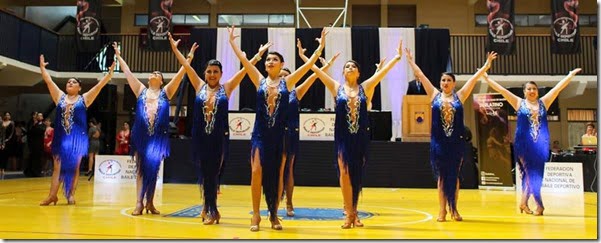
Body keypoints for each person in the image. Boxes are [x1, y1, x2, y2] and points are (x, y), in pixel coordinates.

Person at [228, 25, 326, 231]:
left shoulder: (287, 82)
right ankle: (255, 215)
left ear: (282, 64)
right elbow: (245, 62)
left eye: (274, 59)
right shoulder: (259, 80)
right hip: (260, 135)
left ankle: (273, 213)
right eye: (268, 59)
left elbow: (308, 67)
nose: (270, 61)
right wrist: (232, 43)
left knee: (276, 175)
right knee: (256, 171)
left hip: (279, 137)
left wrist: (319, 49)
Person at [300, 37, 404, 228]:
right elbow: (315, 71)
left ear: (358, 73)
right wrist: (304, 56)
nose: (349, 68)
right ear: (343, 72)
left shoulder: (366, 87)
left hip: (361, 137)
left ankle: (354, 211)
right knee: (345, 173)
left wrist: (397, 58)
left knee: (356, 174)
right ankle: (349, 214)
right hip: (342, 138)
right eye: (346, 66)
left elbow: (383, 73)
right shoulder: (336, 87)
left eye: (353, 67)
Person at [168, 32, 270, 225]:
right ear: (205, 73)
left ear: (221, 74)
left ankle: (211, 209)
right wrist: (175, 49)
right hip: (200, 137)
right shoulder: (198, 85)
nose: (212, 75)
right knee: (204, 174)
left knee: (213, 173)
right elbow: (186, 66)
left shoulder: (227, 87)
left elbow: (245, 69)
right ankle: (209, 208)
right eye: (209, 71)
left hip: (219, 139)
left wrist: (257, 56)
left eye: (215, 72)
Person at [406, 48, 497, 222]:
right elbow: (421, 75)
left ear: (454, 84)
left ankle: (453, 208)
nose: (445, 82)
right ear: (440, 83)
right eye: (443, 80)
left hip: (456, 143)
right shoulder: (433, 95)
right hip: (439, 143)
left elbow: (473, 79)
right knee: (441, 177)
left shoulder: (460, 96)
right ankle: (442, 210)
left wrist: (486, 65)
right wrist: (410, 61)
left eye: (449, 80)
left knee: (454, 176)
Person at [483, 68, 581, 216]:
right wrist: (487, 78)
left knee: (536, 176)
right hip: (523, 145)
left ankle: (523, 202)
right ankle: (540, 205)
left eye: (534, 88)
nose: (532, 91)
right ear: (524, 91)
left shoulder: (544, 102)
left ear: (537, 91)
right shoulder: (518, 102)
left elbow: (558, 88)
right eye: (529, 89)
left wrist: (570, 76)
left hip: (540, 146)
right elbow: (501, 90)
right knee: (530, 174)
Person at [113, 41, 194, 215]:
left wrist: (189, 57)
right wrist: (119, 56)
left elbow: (181, 73)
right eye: (152, 73)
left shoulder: (167, 92)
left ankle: (149, 201)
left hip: (158, 138)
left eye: (157, 73)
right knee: (141, 168)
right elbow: (128, 73)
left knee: (154, 169)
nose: (154, 74)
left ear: (162, 80)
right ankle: (138, 203)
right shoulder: (140, 90)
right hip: (141, 136)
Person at [38, 54, 115, 206]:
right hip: (61, 137)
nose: (70, 83)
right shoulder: (59, 97)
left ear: (79, 87)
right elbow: (49, 81)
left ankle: (70, 194)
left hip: (77, 139)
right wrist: (42, 68)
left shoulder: (84, 98)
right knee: (57, 167)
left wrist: (110, 74)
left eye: (74, 82)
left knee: (74, 166)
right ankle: (52, 195)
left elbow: (99, 86)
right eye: (68, 82)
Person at [281, 41, 340, 217]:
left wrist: (327, 65)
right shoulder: (268, 89)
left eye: (286, 76)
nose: (283, 78)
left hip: (290, 134)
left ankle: (289, 202)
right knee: (275, 169)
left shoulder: (296, 92)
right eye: (281, 75)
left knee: (289, 169)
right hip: (272, 134)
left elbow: (314, 75)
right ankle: (274, 201)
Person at [0, 112, 15, 178]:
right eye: (6, 115)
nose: (7, 116)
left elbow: (11, 133)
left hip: (8, 142)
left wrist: (7, 140)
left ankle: (3, 169)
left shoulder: (11, 123)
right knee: (0, 154)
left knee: (5, 155)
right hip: (1, 140)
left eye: (8, 115)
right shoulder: (1, 122)